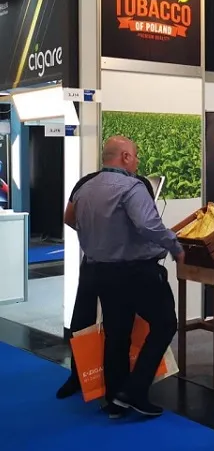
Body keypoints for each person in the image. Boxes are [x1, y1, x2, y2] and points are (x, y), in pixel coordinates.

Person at [72, 136, 182, 418]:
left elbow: (72, 220)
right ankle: (134, 391)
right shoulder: (132, 187)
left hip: (101, 272)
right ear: (124, 157)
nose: (137, 161)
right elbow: (149, 225)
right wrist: (174, 245)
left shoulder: (85, 188)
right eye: (135, 155)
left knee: (116, 334)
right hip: (137, 272)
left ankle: (114, 400)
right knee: (165, 324)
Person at [56, 171, 155, 404]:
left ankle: (81, 377)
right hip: (121, 266)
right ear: (126, 158)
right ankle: (111, 388)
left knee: (86, 319)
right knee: (114, 326)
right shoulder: (138, 184)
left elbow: (69, 218)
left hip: (95, 262)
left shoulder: (86, 183)